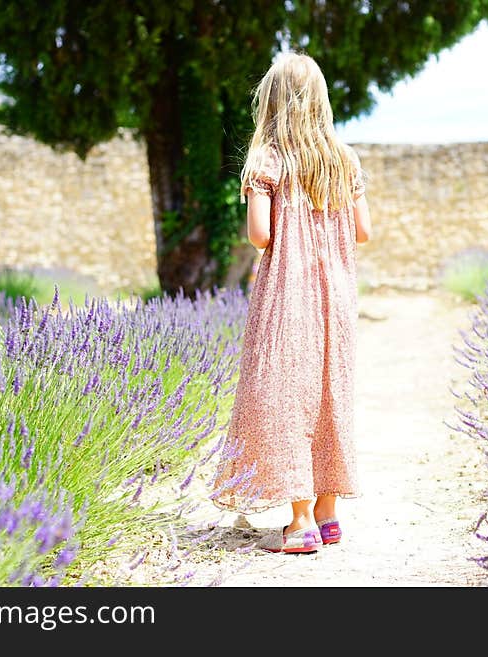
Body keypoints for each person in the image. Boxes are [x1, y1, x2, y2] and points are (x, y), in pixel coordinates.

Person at [210, 52, 372, 554]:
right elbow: (364, 231)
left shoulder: (267, 160)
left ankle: (299, 522)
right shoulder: (344, 159)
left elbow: (261, 236)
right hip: (338, 296)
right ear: (320, 99)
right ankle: (329, 514)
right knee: (330, 391)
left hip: (287, 293)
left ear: (272, 101)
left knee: (284, 396)